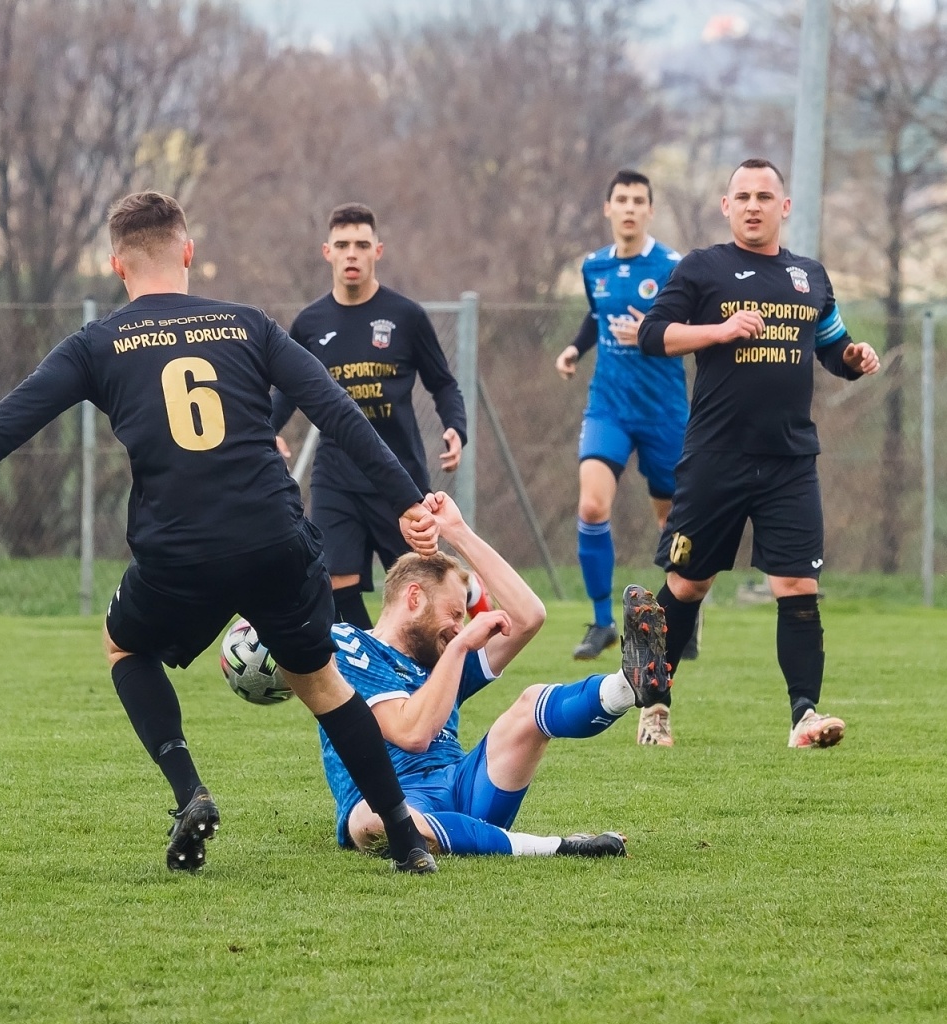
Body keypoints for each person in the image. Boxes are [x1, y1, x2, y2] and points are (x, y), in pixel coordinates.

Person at [0, 192, 445, 874]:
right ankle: (403, 836)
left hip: (178, 550)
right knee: (323, 684)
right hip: (273, 538)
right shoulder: (249, 326)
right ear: (187, 252)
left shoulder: (99, 343)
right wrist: (405, 500)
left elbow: (5, 423)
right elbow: (336, 412)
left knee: (124, 646)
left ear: (116, 267)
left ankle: (189, 791)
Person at [631, 158, 881, 749]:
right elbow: (652, 336)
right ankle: (654, 702)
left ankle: (804, 717)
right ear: (726, 206)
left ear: (784, 207)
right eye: (742, 196)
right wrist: (716, 331)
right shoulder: (703, 269)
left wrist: (855, 358)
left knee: (797, 587)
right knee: (688, 586)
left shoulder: (809, 277)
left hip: (790, 460)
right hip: (716, 457)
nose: (752, 205)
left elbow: (832, 345)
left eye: (764, 196)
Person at [320, 492, 670, 859]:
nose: (459, 627)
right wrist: (459, 648)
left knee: (531, 702)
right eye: (454, 613)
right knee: (372, 823)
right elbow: (412, 734)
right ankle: (558, 847)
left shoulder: (441, 654)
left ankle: (626, 688)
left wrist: (457, 531)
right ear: (414, 598)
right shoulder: (349, 643)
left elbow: (528, 617)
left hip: (464, 785)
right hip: (395, 800)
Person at [272, 203, 469, 630]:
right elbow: (286, 390)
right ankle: (372, 670)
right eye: (342, 245)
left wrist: (456, 428)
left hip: (399, 474)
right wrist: (264, 432)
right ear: (327, 252)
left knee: (427, 591)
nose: (352, 254)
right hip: (337, 474)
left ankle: (441, 669)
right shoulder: (310, 323)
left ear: (378, 250)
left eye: (362, 245)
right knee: (331, 582)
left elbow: (443, 383)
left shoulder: (406, 317)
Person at [554, 169, 689, 662]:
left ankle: (682, 612)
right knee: (592, 507)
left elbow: (689, 328)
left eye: (638, 200)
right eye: (621, 200)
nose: (629, 208)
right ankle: (602, 621)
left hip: (664, 411)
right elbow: (596, 315)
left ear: (650, 210)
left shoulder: (674, 267)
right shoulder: (595, 267)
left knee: (672, 523)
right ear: (607, 209)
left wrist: (653, 332)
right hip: (608, 405)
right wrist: (573, 348)